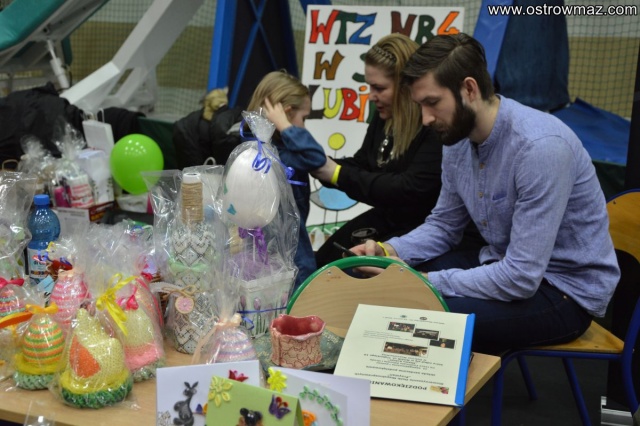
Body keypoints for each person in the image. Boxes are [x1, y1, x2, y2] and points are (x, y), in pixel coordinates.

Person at [353, 33, 620, 353]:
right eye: (420, 105)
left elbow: (521, 278)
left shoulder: (540, 148)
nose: (425, 119)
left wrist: (423, 280)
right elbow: (444, 226)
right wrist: (389, 251)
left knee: (420, 316)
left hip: (564, 292)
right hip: (503, 263)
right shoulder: (456, 138)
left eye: (432, 103)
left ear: (469, 89)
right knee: (385, 286)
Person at [309, 33, 448, 268]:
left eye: (379, 88)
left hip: (424, 229)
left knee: (354, 271)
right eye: (369, 86)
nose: (371, 96)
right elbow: (364, 164)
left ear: (406, 87)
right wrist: (318, 162)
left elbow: (408, 190)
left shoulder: (433, 127)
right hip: (389, 218)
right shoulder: (384, 117)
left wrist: (336, 173)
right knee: (322, 262)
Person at [250, 70, 327, 290]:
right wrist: (286, 126)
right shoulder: (278, 156)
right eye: (303, 118)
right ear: (287, 112)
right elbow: (316, 157)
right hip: (290, 245)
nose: (303, 125)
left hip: (270, 244)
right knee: (302, 286)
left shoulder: (262, 148)